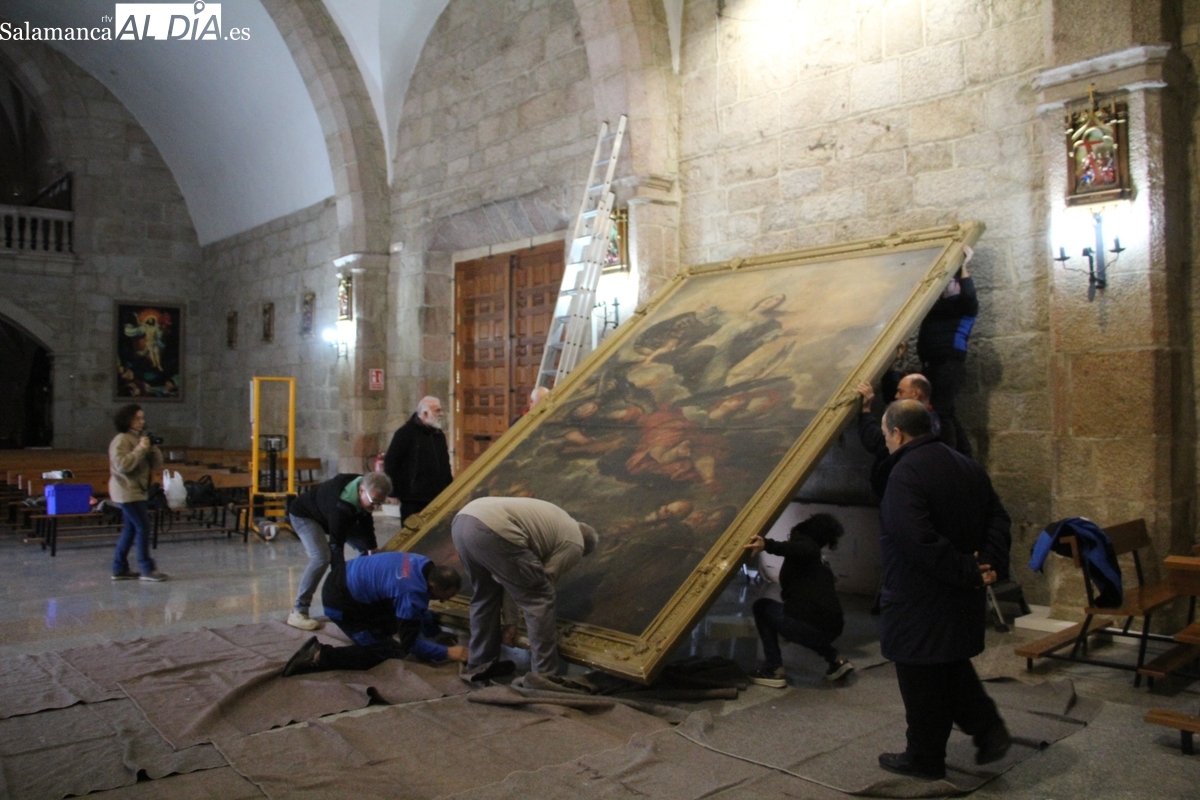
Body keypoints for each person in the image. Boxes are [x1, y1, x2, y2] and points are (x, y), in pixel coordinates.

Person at [876, 399, 1012, 780]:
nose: (886, 442)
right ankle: (987, 729)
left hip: (919, 596)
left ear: (898, 433)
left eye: (886, 435)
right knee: (948, 665)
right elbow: (998, 517)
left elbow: (914, 539)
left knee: (921, 678)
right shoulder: (965, 464)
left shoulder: (905, 472)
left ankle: (925, 757)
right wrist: (988, 562)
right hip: (957, 594)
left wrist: (969, 569)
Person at [451, 496, 599, 682]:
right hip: (493, 529)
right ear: (584, 549)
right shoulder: (576, 543)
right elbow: (535, 586)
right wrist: (512, 619)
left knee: (485, 596)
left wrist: (511, 621)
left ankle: (479, 665)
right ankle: (543, 678)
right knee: (541, 599)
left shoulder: (558, 521)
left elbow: (511, 581)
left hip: (463, 520)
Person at [282, 551, 467, 675]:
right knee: (383, 653)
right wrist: (448, 652)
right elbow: (410, 643)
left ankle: (374, 632)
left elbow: (419, 610)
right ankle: (319, 656)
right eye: (442, 598)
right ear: (432, 585)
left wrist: (435, 634)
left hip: (343, 576)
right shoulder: (411, 592)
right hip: (341, 604)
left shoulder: (423, 563)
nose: (441, 602)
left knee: (395, 629)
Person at [743, 513, 855, 687]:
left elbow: (800, 548)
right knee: (805, 623)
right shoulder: (818, 562)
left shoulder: (807, 547)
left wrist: (767, 544)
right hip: (830, 628)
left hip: (808, 626)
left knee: (762, 606)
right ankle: (835, 659)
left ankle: (774, 669)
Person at [284, 471, 391, 630]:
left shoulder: (363, 489)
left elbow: (366, 522)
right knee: (321, 557)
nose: (376, 507)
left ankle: (362, 600)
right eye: (374, 502)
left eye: (380, 503)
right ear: (361, 491)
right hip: (305, 516)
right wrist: (338, 587)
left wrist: (372, 548)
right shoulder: (341, 504)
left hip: (329, 515)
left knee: (367, 551)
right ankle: (298, 611)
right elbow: (336, 547)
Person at [917, 254, 977, 457]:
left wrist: (963, 265)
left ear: (959, 284)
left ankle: (949, 458)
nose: (945, 287)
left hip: (949, 365)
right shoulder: (936, 307)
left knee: (942, 412)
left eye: (950, 282)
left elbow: (969, 294)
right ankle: (963, 456)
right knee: (946, 412)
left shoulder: (965, 306)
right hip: (932, 365)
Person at [856, 373, 949, 496]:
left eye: (900, 392)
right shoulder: (931, 416)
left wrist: (866, 410)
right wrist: (891, 371)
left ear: (915, 394)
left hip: (898, 491)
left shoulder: (913, 421)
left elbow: (876, 442)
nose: (896, 396)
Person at [108, 404, 168, 581]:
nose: (142, 421)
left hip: (138, 490)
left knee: (131, 529)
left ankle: (119, 568)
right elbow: (123, 465)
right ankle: (147, 568)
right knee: (143, 526)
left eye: (143, 418)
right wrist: (141, 448)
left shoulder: (139, 438)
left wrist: (152, 447)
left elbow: (157, 464)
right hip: (126, 491)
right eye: (137, 418)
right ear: (127, 420)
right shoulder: (121, 439)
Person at [383, 396, 453, 520]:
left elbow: (445, 464)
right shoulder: (405, 433)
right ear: (425, 413)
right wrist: (392, 491)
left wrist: (450, 487)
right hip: (413, 497)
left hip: (437, 496)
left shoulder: (438, 435)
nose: (441, 414)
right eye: (437, 411)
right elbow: (391, 463)